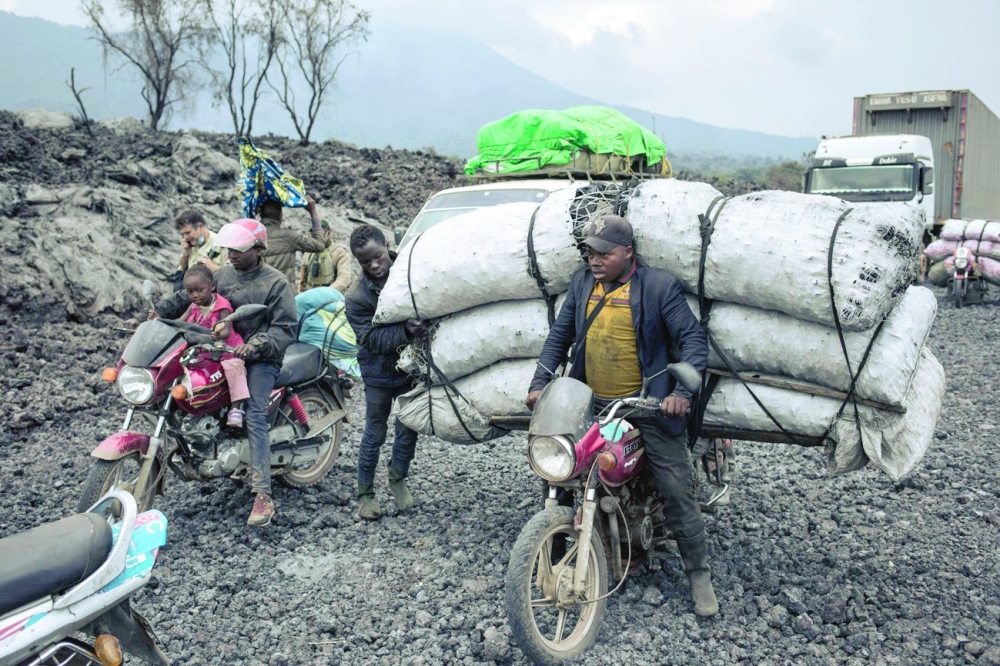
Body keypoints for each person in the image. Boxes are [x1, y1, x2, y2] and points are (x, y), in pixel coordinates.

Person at [524, 215, 717, 617]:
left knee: (676, 488)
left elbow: (692, 339)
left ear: (627, 252)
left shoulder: (658, 286)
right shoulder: (582, 283)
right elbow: (560, 336)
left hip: (645, 406)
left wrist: (681, 393)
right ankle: (552, 552)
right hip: (591, 402)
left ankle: (699, 574)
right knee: (559, 470)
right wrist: (540, 384)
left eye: (604, 253)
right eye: (589, 252)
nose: (594, 260)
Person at [154, 219, 297, 528]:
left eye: (238, 251)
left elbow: (285, 329)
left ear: (258, 249)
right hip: (219, 350)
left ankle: (263, 494)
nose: (231, 255)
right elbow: (189, 294)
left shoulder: (276, 283)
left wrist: (256, 345)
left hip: (260, 358)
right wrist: (159, 311)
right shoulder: (223, 275)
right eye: (229, 250)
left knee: (254, 413)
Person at [345, 224, 424, 521]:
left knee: (408, 426)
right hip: (377, 372)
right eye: (365, 262)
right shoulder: (357, 297)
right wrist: (405, 331)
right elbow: (372, 340)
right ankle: (365, 492)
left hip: (410, 369)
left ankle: (397, 478)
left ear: (387, 246)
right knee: (374, 432)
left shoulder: (408, 270)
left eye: (378, 256)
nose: (374, 265)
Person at [150, 264, 250, 428]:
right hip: (203, 350)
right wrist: (160, 320)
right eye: (190, 292)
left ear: (212, 286)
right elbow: (180, 322)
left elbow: (225, 331)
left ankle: (236, 408)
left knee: (235, 369)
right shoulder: (194, 306)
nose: (195, 295)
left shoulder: (222, 306)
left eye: (199, 290)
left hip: (226, 350)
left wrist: (214, 333)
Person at [258, 195, 327, 285]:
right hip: (284, 293)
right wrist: (313, 212)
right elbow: (319, 246)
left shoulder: (252, 237)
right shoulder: (289, 236)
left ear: (260, 215)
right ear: (279, 216)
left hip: (260, 294)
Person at [172, 211, 223, 291]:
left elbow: (233, 277)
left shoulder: (220, 244)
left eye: (188, 233)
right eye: (183, 234)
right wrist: (185, 256)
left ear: (200, 226)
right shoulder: (189, 246)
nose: (185, 237)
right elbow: (180, 273)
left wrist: (215, 269)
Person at [299, 220, 354, 294]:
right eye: (314, 234)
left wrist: (327, 293)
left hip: (332, 297)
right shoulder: (308, 253)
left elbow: (344, 278)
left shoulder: (339, 253)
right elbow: (302, 277)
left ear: (328, 233)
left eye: (320, 234)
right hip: (311, 296)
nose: (317, 237)